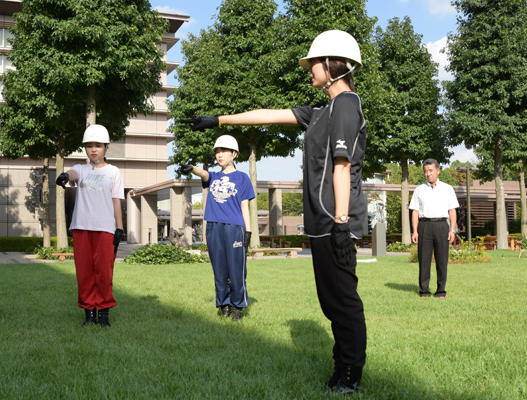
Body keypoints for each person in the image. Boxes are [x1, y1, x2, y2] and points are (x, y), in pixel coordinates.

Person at [181, 30, 366, 394]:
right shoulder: (320, 110)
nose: (309, 69)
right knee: (330, 300)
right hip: (320, 222)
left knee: (344, 299)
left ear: (333, 65)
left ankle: (351, 373)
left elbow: (342, 166)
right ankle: (341, 363)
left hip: (336, 220)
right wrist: (217, 121)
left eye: (313, 63)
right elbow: (267, 114)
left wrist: (342, 222)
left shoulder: (346, 105)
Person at [179, 135, 254, 321]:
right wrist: (192, 168)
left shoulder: (243, 178)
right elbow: (204, 174)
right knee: (219, 269)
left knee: (236, 269)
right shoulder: (214, 176)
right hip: (213, 227)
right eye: (217, 152)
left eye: (224, 151)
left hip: (235, 227)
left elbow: (245, 206)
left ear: (234, 154)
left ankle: (238, 306)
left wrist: (249, 230)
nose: (220, 155)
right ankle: (224, 305)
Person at [56, 124, 124, 327]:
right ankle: (89, 315)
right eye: (89, 145)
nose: (94, 149)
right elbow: (72, 174)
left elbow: (116, 201)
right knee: (85, 273)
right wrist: (65, 176)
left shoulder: (113, 172)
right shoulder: (81, 169)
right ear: (85, 148)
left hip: (105, 229)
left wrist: (119, 228)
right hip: (81, 227)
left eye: (98, 145)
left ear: (106, 148)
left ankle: (103, 315)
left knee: (104, 272)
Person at [409, 159, 459, 300]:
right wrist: (415, 231)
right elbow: (415, 212)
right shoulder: (419, 190)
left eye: (430, 170)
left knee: (442, 260)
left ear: (438, 170)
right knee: (424, 260)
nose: (428, 174)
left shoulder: (448, 189)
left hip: (442, 225)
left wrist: (452, 230)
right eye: (425, 171)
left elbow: (452, 211)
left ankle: (441, 291)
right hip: (424, 226)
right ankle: (424, 291)